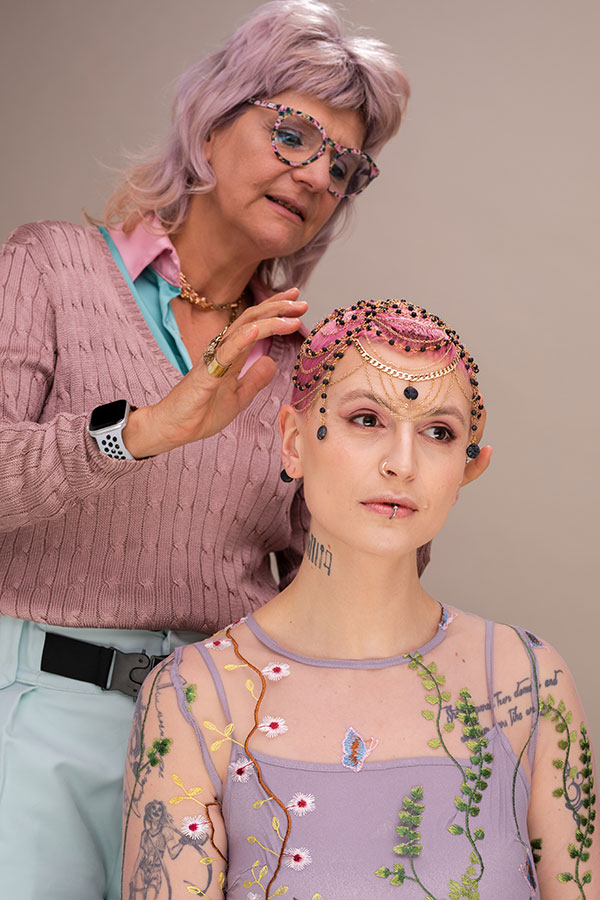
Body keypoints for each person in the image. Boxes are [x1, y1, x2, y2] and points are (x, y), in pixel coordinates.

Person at [0, 3, 410, 898]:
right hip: (36, 722)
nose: (316, 175)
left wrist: (390, 484)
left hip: (222, 739)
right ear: (211, 126)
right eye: (292, 135)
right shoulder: (50, 270)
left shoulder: (308, 368)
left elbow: (334, 594)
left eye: (344, 166)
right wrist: (144, 431)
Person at [122, 298, 598, 899]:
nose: (402, 463)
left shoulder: (527, 681)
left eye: (439, 433)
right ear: (293, 442)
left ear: (464, 471)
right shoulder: (195, 695)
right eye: (367, 419)